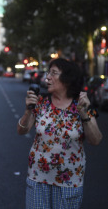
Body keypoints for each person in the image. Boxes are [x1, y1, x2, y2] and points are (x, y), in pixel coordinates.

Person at [17, 58, 103, 209]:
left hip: (69, 181)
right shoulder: (41, 103)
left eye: (54, 73)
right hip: (37, 177)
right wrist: (27, 111)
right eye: (48, 73)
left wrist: (84, 114)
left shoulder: (83, 105)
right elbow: (21, 130)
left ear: (68, 79)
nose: (47, 77)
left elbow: (96, 140)